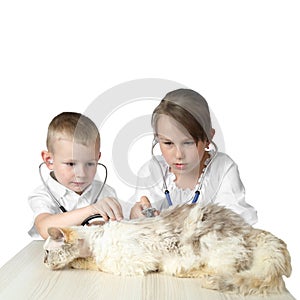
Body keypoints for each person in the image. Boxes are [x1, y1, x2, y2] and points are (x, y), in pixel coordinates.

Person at [129, 88, 257, 225]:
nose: (179, 155)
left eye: (189, 143)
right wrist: (135, 215)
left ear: (208, 138)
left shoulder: (223, 168)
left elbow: (237, 221)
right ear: (157, 139)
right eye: (168, 143)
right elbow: (139, 216)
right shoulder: (152, 170)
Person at [28, 112, 123, 239]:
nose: (82, 174)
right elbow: (45, 228)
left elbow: (117, 230)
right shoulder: (42, 195)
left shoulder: (105, 192)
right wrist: (92, 210)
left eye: (90, 163)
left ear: (98, 158)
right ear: (49, 160)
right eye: (71, 164)